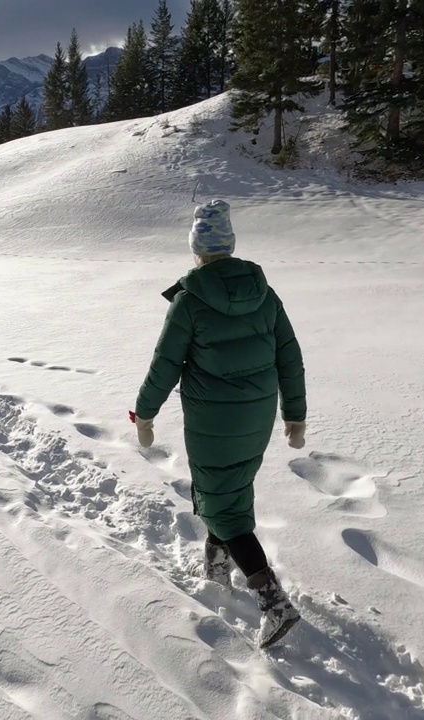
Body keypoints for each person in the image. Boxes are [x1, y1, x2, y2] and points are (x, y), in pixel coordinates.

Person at [132, 199, 307, 648]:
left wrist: (145, 415)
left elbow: (164, 365)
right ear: (228, 247)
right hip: (258, 415)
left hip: (213, 420)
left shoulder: (190, 302)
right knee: (228, 491)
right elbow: (289, 355)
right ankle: (215, 567)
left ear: (197, 251)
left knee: (222, 501)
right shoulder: (264, 292)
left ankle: (273, 602)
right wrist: (295, 416)